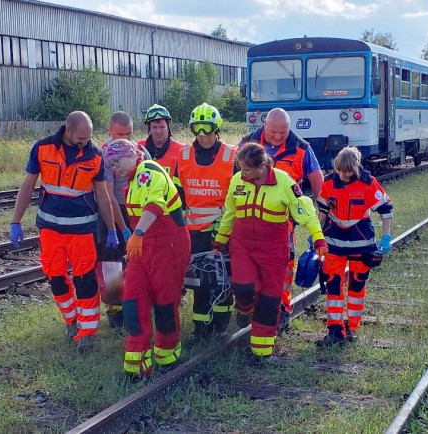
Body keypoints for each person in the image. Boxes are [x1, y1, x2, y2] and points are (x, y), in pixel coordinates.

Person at [9, 111, 118, 353]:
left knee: (85, 281)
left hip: (82, 230)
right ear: (67, 130)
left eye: (88, 137)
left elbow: (102, 194)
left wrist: (112, 229)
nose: (85, 142)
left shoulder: (95, 155)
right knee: (55, 277)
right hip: (50, 229)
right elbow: (28, 185)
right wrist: (15, 221)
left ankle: (87, 332)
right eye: (81, 137)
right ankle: (71, 320)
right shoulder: (42, 148)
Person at [213, 143, 327, 362]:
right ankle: (245, 309)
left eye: (246, 169)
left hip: (274, 250)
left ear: (262, 166)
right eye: (240, 168)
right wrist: (220, 241)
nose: (242, 173)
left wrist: (318, 237)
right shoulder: (237, 181)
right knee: (244, 288)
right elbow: (230, 213)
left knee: (269, 300)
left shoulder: (284, 182)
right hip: (242, 246)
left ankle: (262, 352)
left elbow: (305, 211)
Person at [240, 108, 324, 331]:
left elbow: (317, 181)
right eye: (274, 131)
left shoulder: (301, 149)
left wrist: (322, 217)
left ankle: (282, 310)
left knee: (283, 269)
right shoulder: (247, 142)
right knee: (249, 268)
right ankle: (252, 308)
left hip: (282, 223)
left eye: (283, 132)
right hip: (249, 221)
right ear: (265, 124)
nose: (278, 136)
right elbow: (233, 176)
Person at [120, 141, 191, 379]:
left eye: (116, 161)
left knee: (164, 303)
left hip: (167, 244)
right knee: (132, 301)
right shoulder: (131, 180)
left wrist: (137, 234)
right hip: (143, 247)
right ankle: (136, 365)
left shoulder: (148, 170)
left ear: (132, 156)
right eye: (110, 163)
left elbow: (155, 204)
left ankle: (167, 356)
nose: (113, 167)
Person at [316, 147, 393, 346]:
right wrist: (316, 234)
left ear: (356, 167)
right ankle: (334, 330)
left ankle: (352, 328)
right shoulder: (329, 183)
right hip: (333, 243)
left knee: (357, 286)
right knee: (333, 286)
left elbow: (385, 209)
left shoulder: (368, 183)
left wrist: (386, 236)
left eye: (348, 171)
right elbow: (323, 211)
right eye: (340, 171)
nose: (343, 175)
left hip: (361, 244)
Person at [177, 103, 236, 338]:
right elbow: (177, 193)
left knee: (223, 279)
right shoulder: (183, 156)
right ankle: (200, 327)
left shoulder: (232, 155)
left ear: (217, 128)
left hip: (223, 230)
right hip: (194, 232)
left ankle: (221, 324)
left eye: (208, 129)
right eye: (197, 130)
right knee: (200, 281)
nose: (203, 136)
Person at [96, 112, 151, 328]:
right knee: (112, 264)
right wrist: (119, 228)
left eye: (129, 134)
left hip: (136, 210)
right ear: (110, 130)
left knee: (138, 261)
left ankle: (139, 304)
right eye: (120, 134)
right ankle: (116, 314)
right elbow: (108, 196)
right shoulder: (106, 154)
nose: (125, 139)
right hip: (112, 211)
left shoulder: (140, 151)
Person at [137, 104, 186, 189]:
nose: (158, 131)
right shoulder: (139, 148)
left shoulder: (181, 151)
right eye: (155, 127)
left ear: (168, 127)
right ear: (149, 128)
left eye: (162, 127)